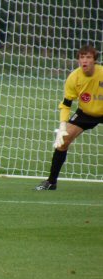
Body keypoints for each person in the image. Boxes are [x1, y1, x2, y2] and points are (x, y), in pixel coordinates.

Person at [36, 45, 103, 190]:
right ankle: (51, 182)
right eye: (82, 57)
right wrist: (62, 127)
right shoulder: (74, 77)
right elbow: (66, 104)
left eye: (88, 57)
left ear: (95, 60)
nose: (84, 60)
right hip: (86, 113)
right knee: (62, 142)